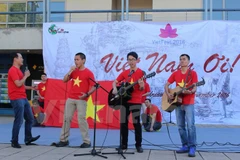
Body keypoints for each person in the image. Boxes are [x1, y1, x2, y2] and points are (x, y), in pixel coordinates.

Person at [55, 52, 96, 148]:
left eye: (77, 59)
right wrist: (70, 71)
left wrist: (87, 94)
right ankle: (63, 140)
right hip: (71, 98)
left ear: (83, 60)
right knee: (66, 118)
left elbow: (95, 85)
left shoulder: (88, 72)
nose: (76, 61)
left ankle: (87, 141)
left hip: (81, 99)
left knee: (81, 119)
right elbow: (64, 80)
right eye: (75, 60)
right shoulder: (74, 71)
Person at [164, 54, 198, 157]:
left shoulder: (193, 73)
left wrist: (190, 91)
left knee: (191, 125)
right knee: (180, 126)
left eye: (184, 59)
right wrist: (168, 94)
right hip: (178, 102)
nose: (182, 61)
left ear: (188, 61)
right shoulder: (175, 73)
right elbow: (166, 84)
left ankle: (192, 147)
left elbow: (195, 87)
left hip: (189, 102)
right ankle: (185, 145)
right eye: (180, 59)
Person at [112, 51, 144, 153]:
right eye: (129, 60)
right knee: (123, 123)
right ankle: (124, 144)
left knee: (136, 123)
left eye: (133, 59)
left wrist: (141, 84)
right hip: (125, 100)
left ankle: (138, 145)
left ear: (137, 60)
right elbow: (115, 82)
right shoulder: (125, 73)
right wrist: (115, 89)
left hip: (136, 101)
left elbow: (142, 88)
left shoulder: (141, 73)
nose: (131, 62)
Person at [8, 53, 40, 148]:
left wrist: (31, 87)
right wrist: (26, 76)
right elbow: (18, 84)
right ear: (15, 59)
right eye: (21, 57)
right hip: (16, 98)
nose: (22, 59)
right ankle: (14, 140)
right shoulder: (13, 70)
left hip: (23, 97)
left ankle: (28, 138)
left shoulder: (18, 71)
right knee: (19, 120)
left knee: (30, 118)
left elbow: (21, 85)